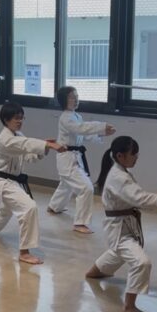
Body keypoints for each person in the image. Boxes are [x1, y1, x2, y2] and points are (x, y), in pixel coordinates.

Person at [85, 136, 157, 312]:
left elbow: (135, 199)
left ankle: (93, 273)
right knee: (142, 262)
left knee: (118, 252)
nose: (136, 157)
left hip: (124, 225)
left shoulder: (121, 172)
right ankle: (129, 306)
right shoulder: (118, 177)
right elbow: (140, 199)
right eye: (133, 154)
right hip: (118, 229)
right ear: (120, 156)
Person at [0, 101, 66, 265]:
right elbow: (25, 144)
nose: (20, 121)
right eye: (16, 118)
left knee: (5, 211)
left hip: (14, 181)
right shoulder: (4, 139)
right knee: (29, 208)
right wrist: (46, 144)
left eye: (22, 118)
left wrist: (44, 148)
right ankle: (24, 252)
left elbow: (28, 155)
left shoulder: (18, 135)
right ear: (6, 119)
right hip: (4, 182)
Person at [46, 86, 115, 233]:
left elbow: (83, 135)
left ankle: (54, 206)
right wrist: (101, 126)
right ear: (64, 100)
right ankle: (80, 223)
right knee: (86, 188)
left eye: (76, 96)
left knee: (66, 184)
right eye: (72, 97)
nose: (76, 99)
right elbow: (81, 129)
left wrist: (101, 134)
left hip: (74, 156)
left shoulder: (76, 116)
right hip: (67, 158)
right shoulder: (65, 118)